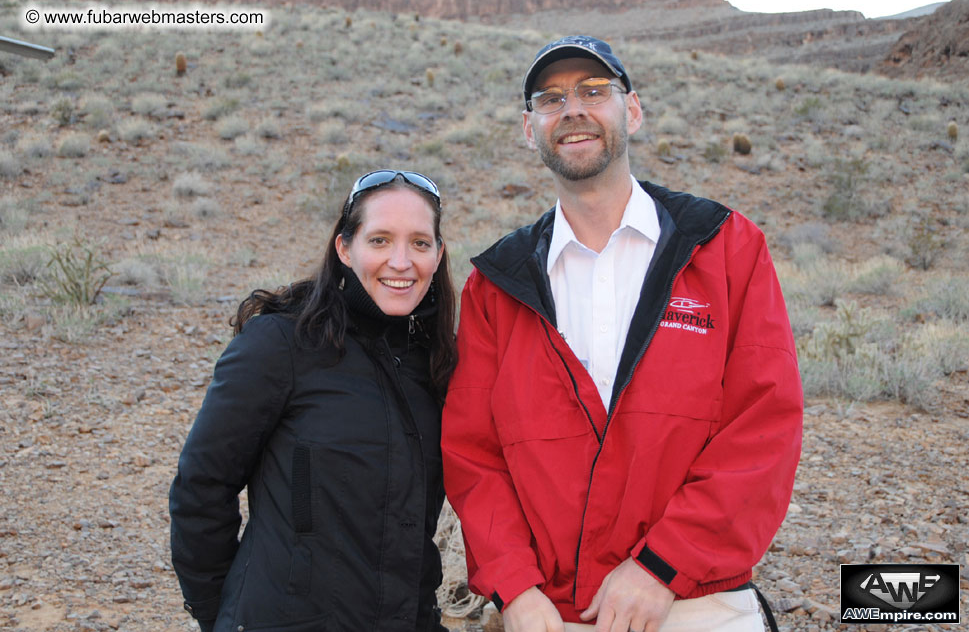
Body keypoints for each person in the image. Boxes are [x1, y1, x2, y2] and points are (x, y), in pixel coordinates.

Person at [441, 36, 803, 632]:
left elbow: (765, 424)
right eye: (550, 99)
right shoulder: (497, 287)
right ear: (529, 129)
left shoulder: (726, 247)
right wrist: (515, 590)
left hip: (694, 602)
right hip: (547, 615)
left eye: (593, 91)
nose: (573, 110)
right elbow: (474, 455)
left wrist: (662, 567)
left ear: (631, 111)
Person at [169, 170, 457, 632]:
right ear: (345, 249)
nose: (401, 262)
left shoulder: (438, 363)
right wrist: (218, 613)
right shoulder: (281, 344)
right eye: (380, 240)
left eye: (420, 244)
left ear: (438, 255)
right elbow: (202, 486)